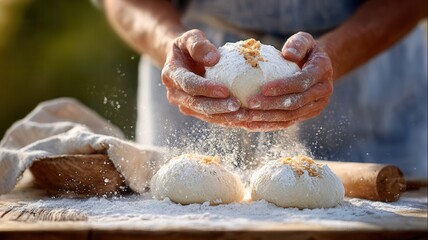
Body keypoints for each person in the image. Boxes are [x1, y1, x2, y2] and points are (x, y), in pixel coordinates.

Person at [101, 0, 427, 179]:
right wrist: (167, 43)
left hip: (371, 84)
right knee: (191, 203)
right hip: (203, 68)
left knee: (382, 210)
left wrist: (336, 55)